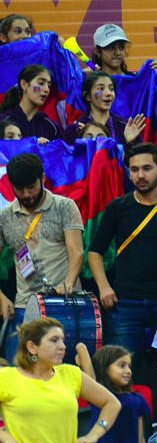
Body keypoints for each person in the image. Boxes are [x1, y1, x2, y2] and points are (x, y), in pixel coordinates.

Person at [0, 317, 121, 443]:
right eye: (54, 340)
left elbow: (112, 403)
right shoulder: (7, 377)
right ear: (32, 346)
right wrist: (5, 437)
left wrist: (94, 434)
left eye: (63, 340)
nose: (63, 346)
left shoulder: (71, 374)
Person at [89, 143, 157, 358]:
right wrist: (104, 287)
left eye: (146, 168)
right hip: (124, 302)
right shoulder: (118, 207)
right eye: (134, 170)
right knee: (118, 368)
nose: (141, 175)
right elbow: (95, 251)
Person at [0, 153, 84, 363]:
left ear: (43, 178)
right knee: (22, 372)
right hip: (24, 305)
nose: (27, 194)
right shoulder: (4, 216)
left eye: (31, 186)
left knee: (64, 369)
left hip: (63, 302)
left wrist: (68, 283)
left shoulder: (65, 206)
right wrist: (1, 297)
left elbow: (77, 252)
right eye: (20, 189)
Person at [81, 345, 150, 443]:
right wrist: (81, 348)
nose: (128, 371)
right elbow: (89, 376)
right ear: (104, 368)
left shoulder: (137, 400)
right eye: (121, 365)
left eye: (129, 366)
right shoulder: (99, 396)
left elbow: (140, 441)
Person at [64, 72, 146, 146]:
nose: (108, 93)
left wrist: (128, 142)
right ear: (88, 96)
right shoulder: (75, 130)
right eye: (101, 89)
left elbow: (139, 160)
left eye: (111, 89)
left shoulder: (125, 127)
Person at [0, 64, 61, 142]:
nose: (46, 89)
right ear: (24, 84)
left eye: (49, 85)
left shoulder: (52, 126)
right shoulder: (3, 121)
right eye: (41, 83)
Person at [91, 24, 157, 77]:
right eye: (111, 48)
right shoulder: (90, 82)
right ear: (98, 51)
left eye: (121, 47)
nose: (117, 53)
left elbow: (150, 97)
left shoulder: (136, 80)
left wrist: (154, 83)